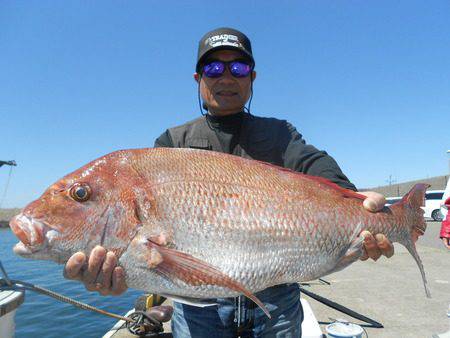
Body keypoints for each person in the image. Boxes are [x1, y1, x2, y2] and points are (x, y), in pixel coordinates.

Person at [64, 27, 397, 337]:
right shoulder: (171, 142)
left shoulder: (280, 133)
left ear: (252, 78)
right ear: (197, 78)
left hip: (276, 306)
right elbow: (153, 251)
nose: (226, 77)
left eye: (238, 68)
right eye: (213, 69)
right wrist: (120, 273)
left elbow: (315, 164)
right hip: (197, 312)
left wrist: (355, 201)